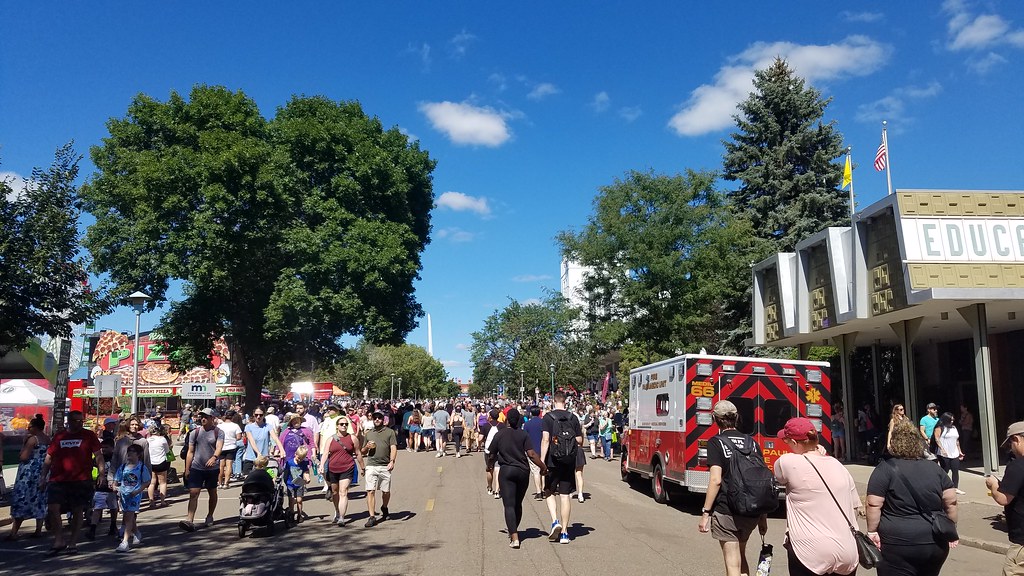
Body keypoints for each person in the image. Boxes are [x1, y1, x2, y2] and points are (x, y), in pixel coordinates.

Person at [866, 420, 957, 576]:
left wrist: (872, 531)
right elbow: (951, 501)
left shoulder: (885, 469)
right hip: (934, 541)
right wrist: (951, 528)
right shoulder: (935, 469)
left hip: (897, 543)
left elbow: (873, 504)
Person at [774, 417, 860, 576]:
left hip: (809, 551)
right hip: (847, 550)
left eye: (787, 442)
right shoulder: (839, 466)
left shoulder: (788, 462)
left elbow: (779, 476)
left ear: (794, 441)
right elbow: (855, 507)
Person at [698, 400, 769, 576]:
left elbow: (715, 480)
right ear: (736, 418)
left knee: (732, 563)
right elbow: (761, 480)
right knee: (741, 556)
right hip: (751, 511)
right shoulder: (751, 442)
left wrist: (705, 513)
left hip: (727, 510)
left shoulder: (716, 442)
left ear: (715, 419)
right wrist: (762, 518)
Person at [39, 410, 105, 555]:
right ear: (68, 421)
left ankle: (73, 542)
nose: (80, 423)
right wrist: (43, 476)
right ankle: (58, 540)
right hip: (58, 479)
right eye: (76, 420)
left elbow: (99, 456)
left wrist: (101, 474)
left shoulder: (89, 435)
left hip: (81, 479)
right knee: (53, 508)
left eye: (81, 420)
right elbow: (49, 457)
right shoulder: (60, 436)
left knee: (77, 510)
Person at [491, 408, 547, 549]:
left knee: (509, 505)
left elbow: (491, 453)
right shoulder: (523, 434)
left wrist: (489, 466)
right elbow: (532, 454)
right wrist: (543, 466)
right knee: (518, 503)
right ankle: (514, 528)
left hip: (507, 471)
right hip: (522, 471)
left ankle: (514, 537)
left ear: (507, 420)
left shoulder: (500, 434)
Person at [540, 390, 583, 544]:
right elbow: (579, 440)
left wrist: (542, 460)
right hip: (568, 461)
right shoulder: (573, 417)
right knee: (565, 495)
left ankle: (554, 521)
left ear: (553, 401)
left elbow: (545, 440)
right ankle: (565, 532)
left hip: (553, 460)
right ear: (566, 401)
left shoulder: (548, 418)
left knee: (549, 491)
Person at [985, 421, 1024, 575]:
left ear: (1017, 439)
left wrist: (993, 484)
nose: (1011, 450)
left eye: (1010, 445)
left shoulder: (1018, 465)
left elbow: (1003, 498)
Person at [179, 407, 224, 532]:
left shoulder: (218, 432)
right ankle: (190, 520)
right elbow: (190, 451)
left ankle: (209, 516)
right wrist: (187, 469)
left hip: (212, 468)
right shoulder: (195, 432)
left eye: (205, 416)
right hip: (196, 467)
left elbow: (219, 447)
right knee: (193, 493)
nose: (203, 418)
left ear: (212, 418)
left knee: (212, 492)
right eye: (201, 416)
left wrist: (214, 457)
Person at [6, 414, 50, 540]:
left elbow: (24, 456)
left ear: (34, 427)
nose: (28, 428)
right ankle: (38, 530)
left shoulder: (32, 440)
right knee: (39, 499)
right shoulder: (47, 439)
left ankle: (14, 532)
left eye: (29, 426)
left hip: (28, 473)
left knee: (22, 499)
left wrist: (24, 445)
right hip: (42, 472)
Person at [321, 414, 363, 526]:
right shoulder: (331, 439)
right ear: (337, 426)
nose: (344, 426)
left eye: (346, 424)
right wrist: (321, 465)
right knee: (335, 492)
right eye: (341, 424)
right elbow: (325, 453)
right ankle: (337, 511)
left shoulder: (352, 438)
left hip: (347, 467)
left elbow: (358, 453)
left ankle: (342, 518)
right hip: (333, 468)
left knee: (343, 492)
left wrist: (362, 467)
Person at [362, 411, 398, 527]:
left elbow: (393, 447)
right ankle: (372, 517)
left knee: (385, 491)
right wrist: (366, 447)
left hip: (385, 465)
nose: (377, 419)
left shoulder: (389, 432)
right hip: (371, 465)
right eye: (375, 418)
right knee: (370, 491)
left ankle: (384, 506)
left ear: (383, 420)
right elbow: (362, 451)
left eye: (379, 418)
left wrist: (392, 461)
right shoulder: (368, 433)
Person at [113, 443, 151, 552]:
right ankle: (137, 533)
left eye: (132, 453)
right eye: (128, 453)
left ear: (138, 455)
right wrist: (115, 486)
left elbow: (146, 481)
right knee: (127, 516)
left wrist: (138, 490)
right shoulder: (123, 467)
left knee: (129, 516)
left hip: (135, 495)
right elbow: (117, 479)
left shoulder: (142, 467)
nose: (129, 455)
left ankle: (125, 542)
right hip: (124, 495)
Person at [243, 407, 283, 476]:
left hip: (263, 459)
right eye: (256, 415)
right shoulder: (248, 427)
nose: (258, 417)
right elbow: (252, 441)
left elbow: (275, 438)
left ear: (264, 415)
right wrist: (258, 453)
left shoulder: (268, 426)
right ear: (253, 414)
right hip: (251, 458)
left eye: (261, 415)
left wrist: (282, 450)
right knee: (248, 480)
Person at [933, 412, 965, 495]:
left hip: (954, 452)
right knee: (945, 470)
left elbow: (957, 440)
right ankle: (941, 486)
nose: (952, 421)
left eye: (953, 420)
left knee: (955, 470)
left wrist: (960, 451)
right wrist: (942, 449)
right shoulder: (940, 427)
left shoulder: (954, 428)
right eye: (950, 420)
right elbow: (937, 439)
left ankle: (955, 487)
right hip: (944, 453)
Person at [283, 445, 311, 523]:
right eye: (298, 458)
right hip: (290, 483)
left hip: (299, 483)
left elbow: (305, 472)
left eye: (301, 459)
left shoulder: (304, 463)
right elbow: (286, 473)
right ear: (295, 454)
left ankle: (299, 514)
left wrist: (307, 478)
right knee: (291, 500)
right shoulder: (289, 463)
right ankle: (291, 513)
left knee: (299, 500)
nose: (299, 460)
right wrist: (285, 481)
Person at [146, 424, 170, 508]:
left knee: (152, 483)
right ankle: (162, 501)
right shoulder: (162, 439)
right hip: (161, 462)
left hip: (151, 463)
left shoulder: (147, 440)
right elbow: (167, 451)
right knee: (162, 482)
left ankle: (151, 501)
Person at [523, 405, 545, 499]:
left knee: (536, 471)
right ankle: (544, 488)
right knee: (543, 469)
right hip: (544, 449)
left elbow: (524, 437)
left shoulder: (527, 424)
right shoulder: (544, 423)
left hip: (532, 451)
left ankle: (538, 491)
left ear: (531, 413)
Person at [217, 409, 242, 488]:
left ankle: (220, 482)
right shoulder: (235, 426)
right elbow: (238, 437)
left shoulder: (220, 426)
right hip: (231, 446)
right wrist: (233, 438)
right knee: (229, 465)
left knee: (221, 466)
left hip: (221, 447)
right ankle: (226, 483)